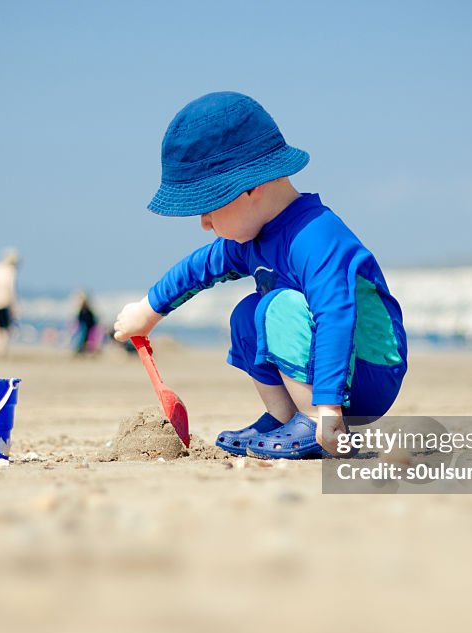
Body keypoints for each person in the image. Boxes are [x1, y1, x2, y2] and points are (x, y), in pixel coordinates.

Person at [112, 92, 408, 458]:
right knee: (247, 312)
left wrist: (329, 410)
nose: (204, 224)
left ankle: (313, 420)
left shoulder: (315, 237)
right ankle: (284, 417)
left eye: (208, 207)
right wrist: (147, 311)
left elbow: (337, 318)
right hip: (329, 365)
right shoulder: (254, 235)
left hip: (367, 366)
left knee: (276, 306)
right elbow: (199, 268)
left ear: (251, 187)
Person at [74, 291, 99, 355]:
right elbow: (79, 319)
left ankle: (84, 351)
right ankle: (81, 351)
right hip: (84, 327)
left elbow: (93, 319)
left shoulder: (88, 311)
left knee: (87, 340)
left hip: (89, 327)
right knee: (83, 339)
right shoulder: (82, 310)